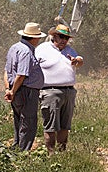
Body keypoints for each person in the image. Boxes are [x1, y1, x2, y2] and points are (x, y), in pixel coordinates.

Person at [35, 24, 84, 153]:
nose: (64, 40)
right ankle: (51, 154)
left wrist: (77, 61)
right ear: (54, 36)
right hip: (50, 92)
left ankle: (62, 152)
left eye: (66, 38)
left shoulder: (69, 50)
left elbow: (79, 60)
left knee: (64, 126)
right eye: (61, 37)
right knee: (50, 126)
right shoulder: (42, 49)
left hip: (69, 92)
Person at [4, 22, 45, 151]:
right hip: (26, 90)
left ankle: (16, 147)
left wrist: (8, 89)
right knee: (28, 121)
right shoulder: (26, 51)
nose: (39, 39)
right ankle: (23, 151)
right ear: (34, 38)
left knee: (18, 119)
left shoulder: (14, 48)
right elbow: (21, 75)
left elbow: (6, 71)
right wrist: (13, 90)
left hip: (16, 89)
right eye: (38, 37)